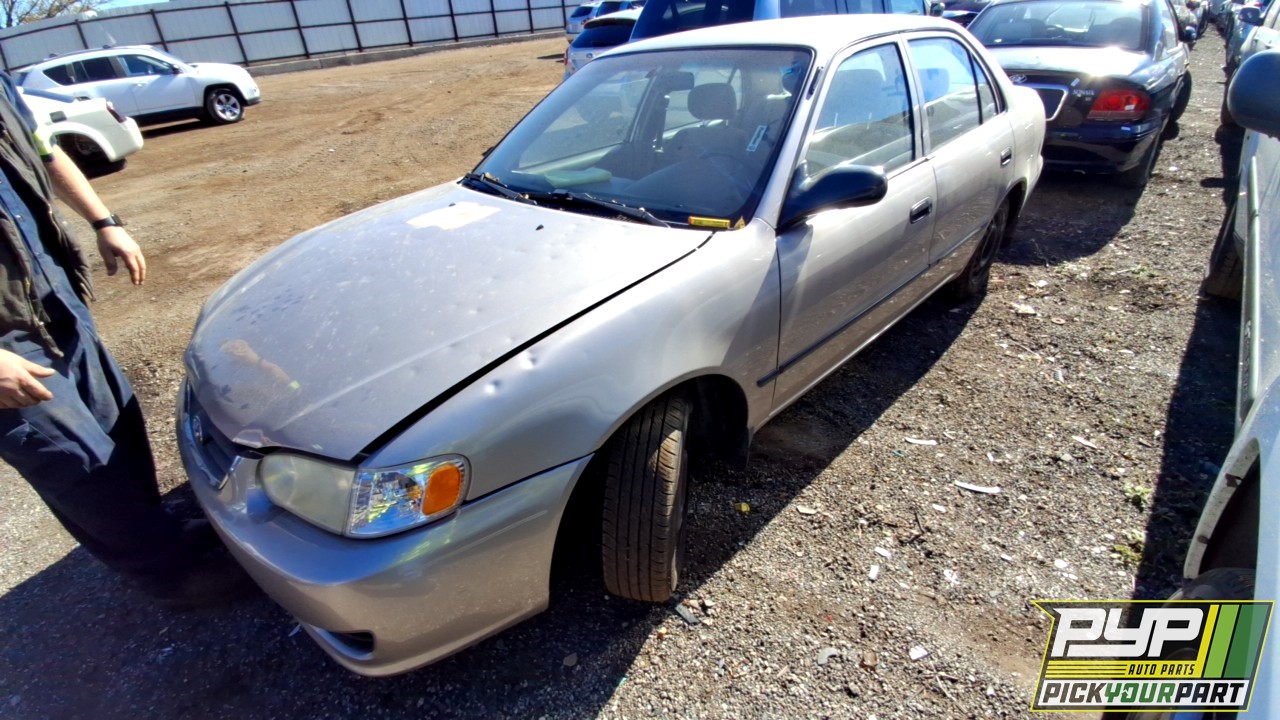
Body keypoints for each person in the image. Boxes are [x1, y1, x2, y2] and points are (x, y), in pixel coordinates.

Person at [0, 73, 252, 608]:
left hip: (45, 289)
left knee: (117, 423)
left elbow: (43, 151)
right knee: (74, 460)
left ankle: (161, 535)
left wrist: (103, 219)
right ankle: (170, 579)